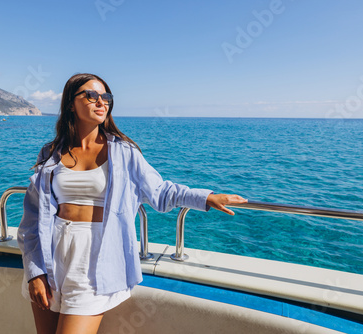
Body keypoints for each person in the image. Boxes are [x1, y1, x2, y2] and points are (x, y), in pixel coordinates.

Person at [17, 73, 247, 334]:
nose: (101, 102)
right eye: (91, 95)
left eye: (106, 97)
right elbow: (32, 220)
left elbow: (160, 192)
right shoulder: (51, 153)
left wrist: (205, 197)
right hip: (51, 254)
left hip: (94, 257)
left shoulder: (124, 152)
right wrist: (35, 272)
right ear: (71, 103)